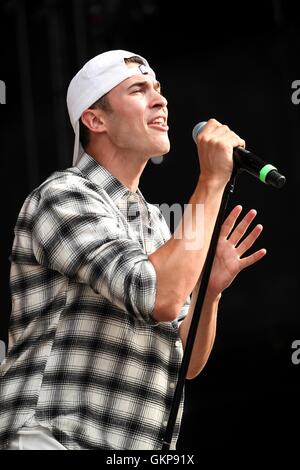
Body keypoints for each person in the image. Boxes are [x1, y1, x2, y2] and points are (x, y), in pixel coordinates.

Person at [0, 50, 266, 450]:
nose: (160, 100)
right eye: (139, 90)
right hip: (54, 440)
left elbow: (187, 363)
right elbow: (159, 296)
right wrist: (212, 178)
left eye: (158, 88)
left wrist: (207, 293)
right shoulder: (63, 196)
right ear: (95, 119)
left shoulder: (154, 223)